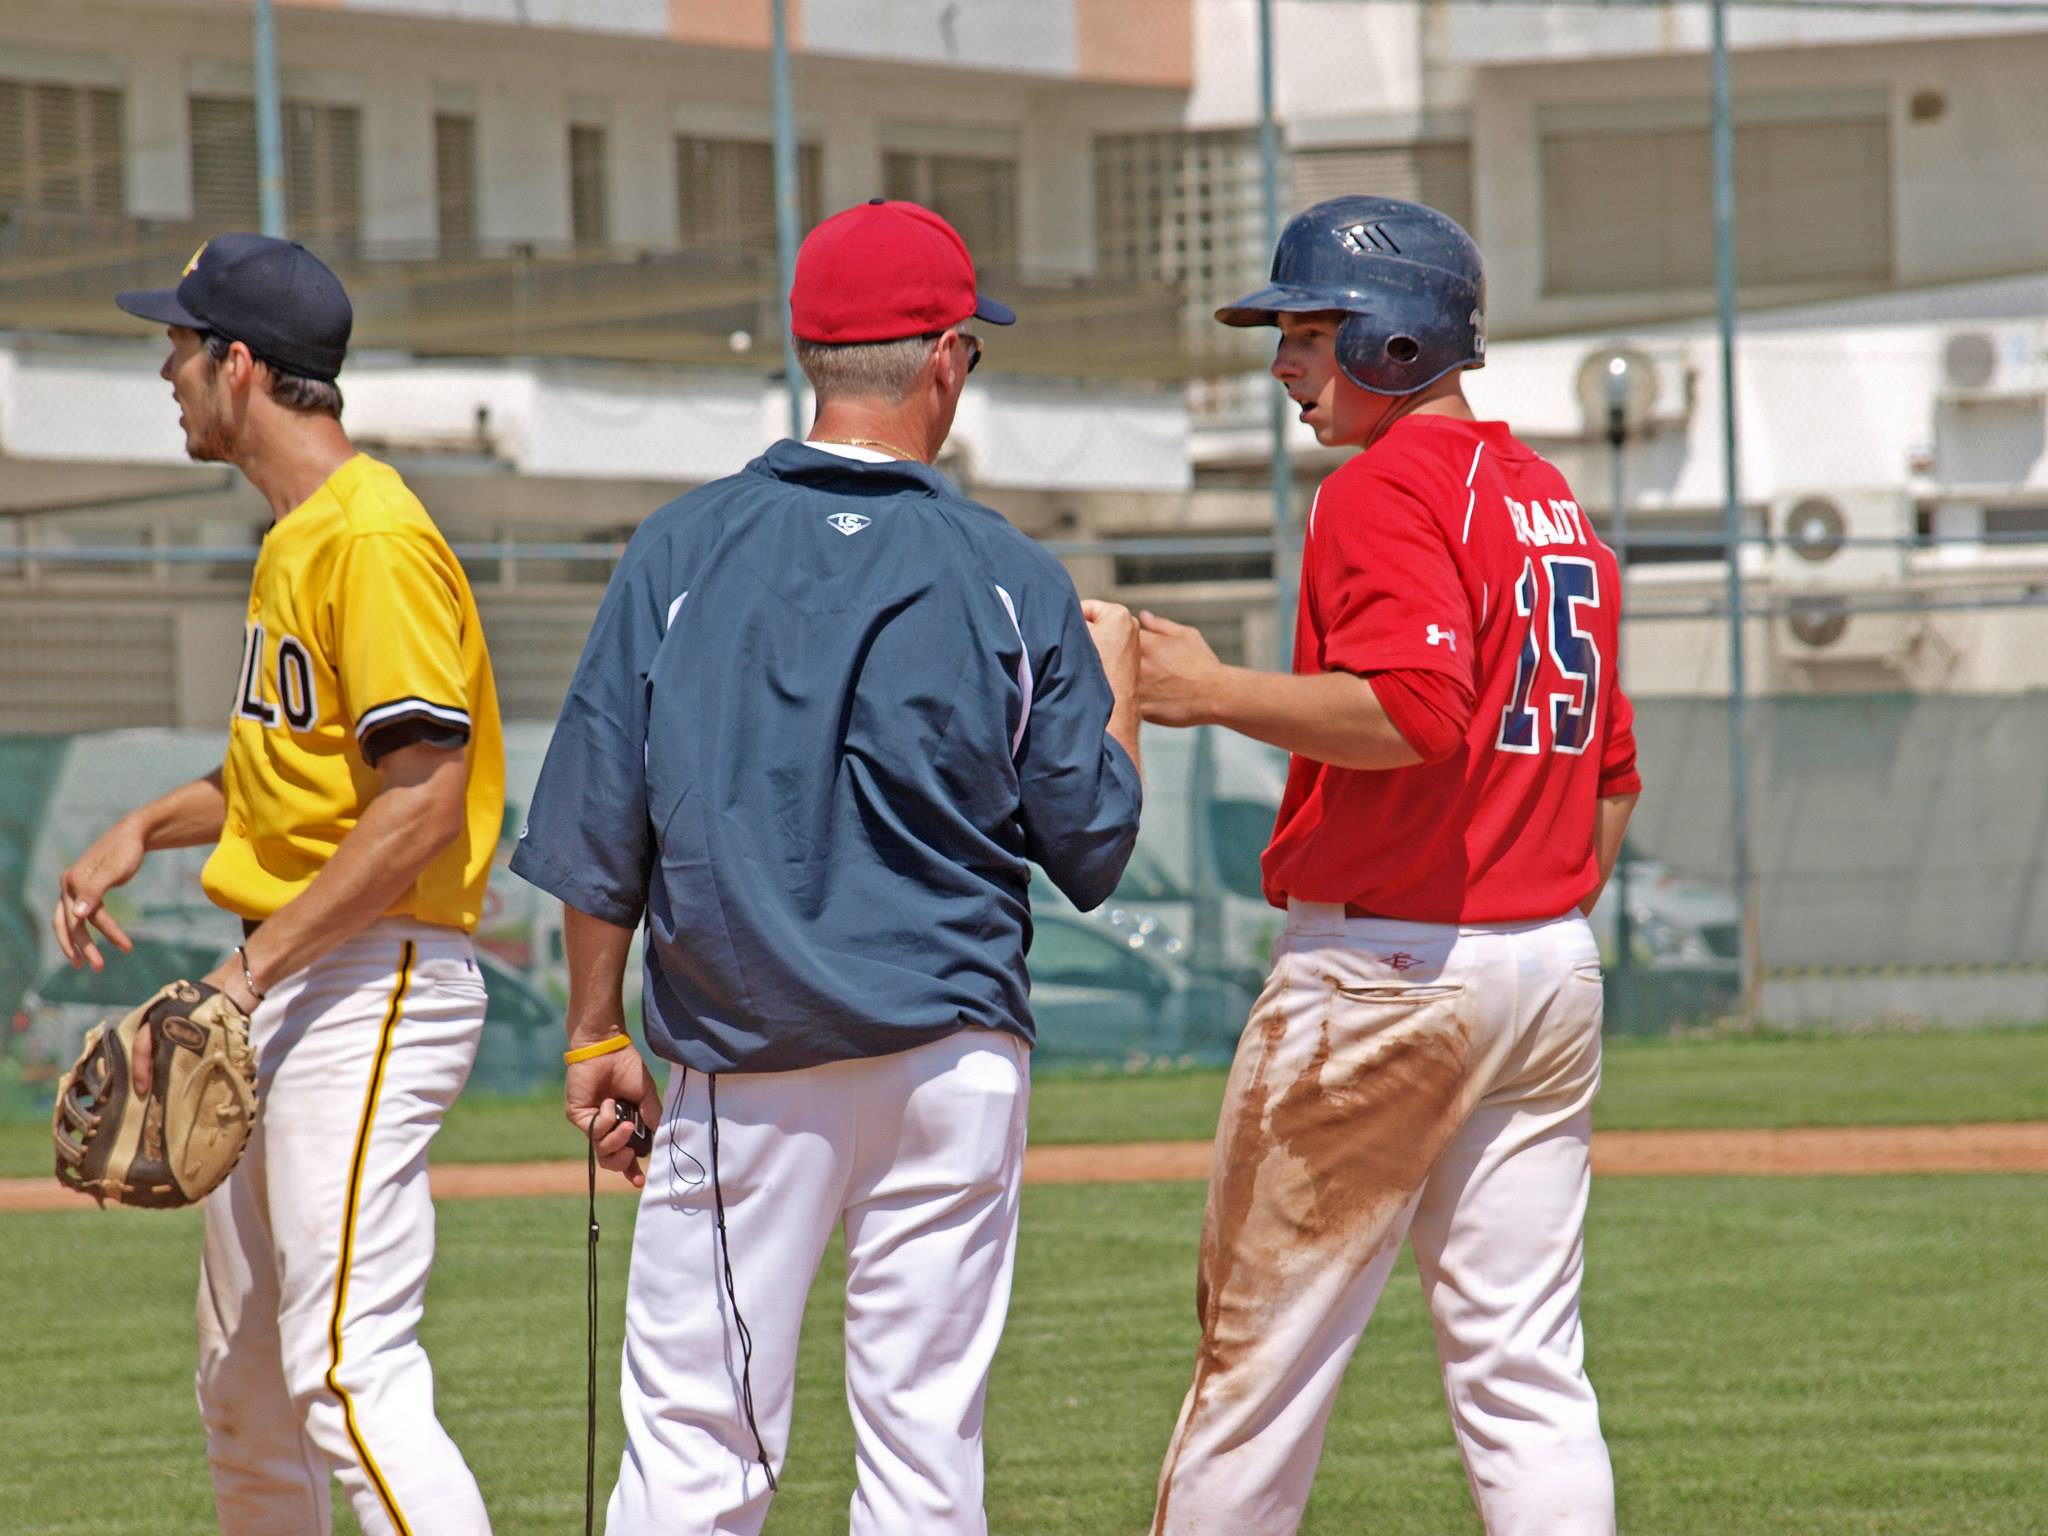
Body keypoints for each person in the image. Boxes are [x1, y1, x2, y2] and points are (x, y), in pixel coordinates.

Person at [509, 198, 1144, 1535]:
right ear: (946, 360)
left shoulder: (680, 549)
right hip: (954, 1058)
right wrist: (1124, 687)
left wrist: (592, 1031)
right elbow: (1092, 843)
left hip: (751, 1061)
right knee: (923, 1459)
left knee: (698, 1450)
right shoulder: (1009, 574)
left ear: (811, 351)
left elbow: (598, 827)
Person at [1138, 195, 1642, 1535]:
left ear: (1397, 343)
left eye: (1310, 335)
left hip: (1387, 971)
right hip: (1547, 966)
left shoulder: (1382, 487)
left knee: (1259, 1373)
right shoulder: (1552, 503)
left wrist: (1210, 691)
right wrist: (1520, 924)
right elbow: (1611, 784)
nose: (1283, 366)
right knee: (1526, 1372)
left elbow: (1416, 711)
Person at [56, 232, 503, 1536]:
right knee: (247, 1394)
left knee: (348, 1376)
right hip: (305, 970)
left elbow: (420, 804)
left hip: (373, 973)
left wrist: (242, 977)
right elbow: (297, 779)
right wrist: (147, 824)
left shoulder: (373, 539)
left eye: (182, 346)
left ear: (241, 365)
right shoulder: (300, 538)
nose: (168, 370)